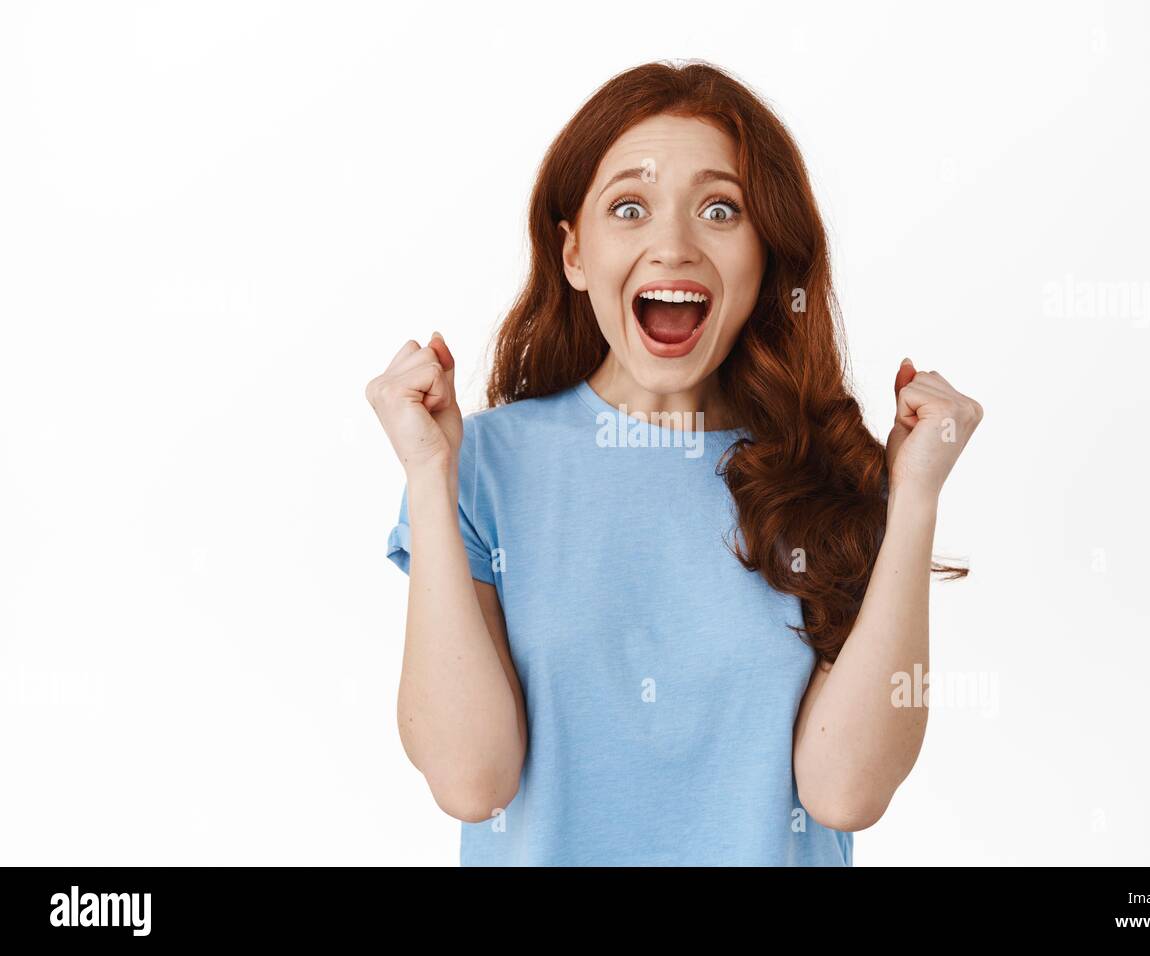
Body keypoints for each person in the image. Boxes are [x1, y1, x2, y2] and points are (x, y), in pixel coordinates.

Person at [364, 60, 983, 866]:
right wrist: (429, 481)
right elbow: (469, 779)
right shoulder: (478, 466)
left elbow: (846, 793)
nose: (673, 246)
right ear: (575, 254)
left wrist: (912, 500)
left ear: (765, 259)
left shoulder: (832, 473)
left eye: (721, 210)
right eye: (630, 207)